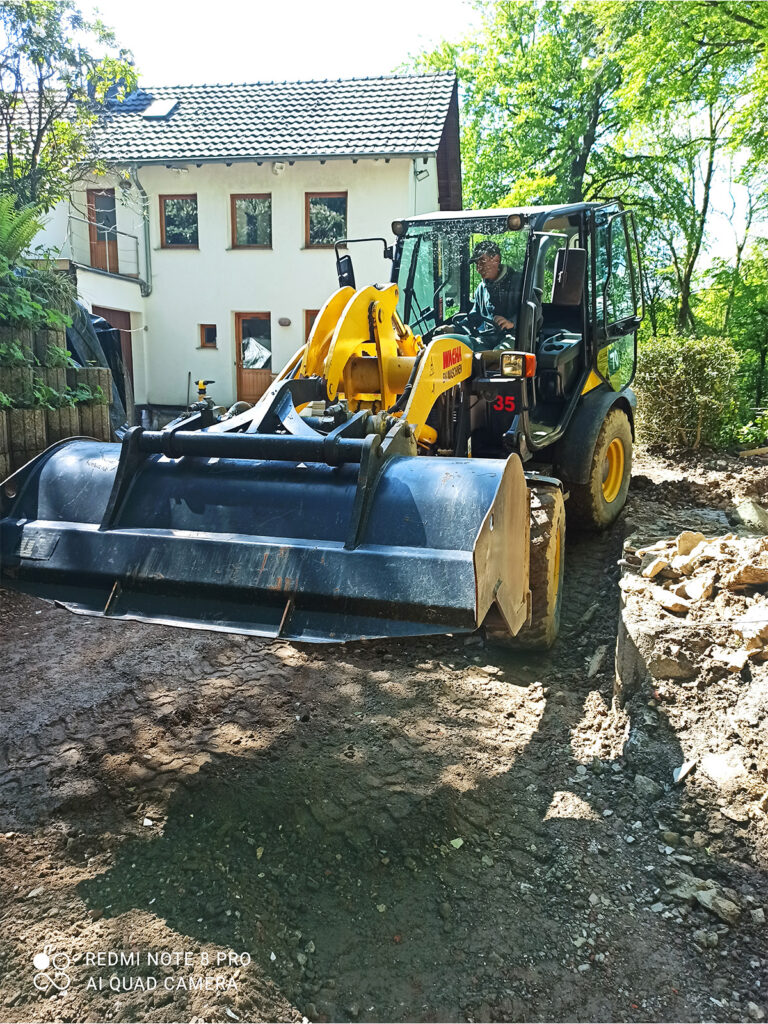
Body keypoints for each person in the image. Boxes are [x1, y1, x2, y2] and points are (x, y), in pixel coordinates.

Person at [467, 240, 523, 343]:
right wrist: (453, 328)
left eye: (482, 262)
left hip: (514, 337)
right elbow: (474, 317)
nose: (478, 269)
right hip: (486, 338)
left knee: (501, 352)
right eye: (476, 264)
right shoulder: (481, 288)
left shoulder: (520, 282)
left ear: (496, 260)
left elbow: (535, 312)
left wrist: (512, 322)